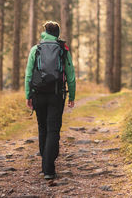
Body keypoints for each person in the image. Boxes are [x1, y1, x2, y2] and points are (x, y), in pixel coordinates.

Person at [25, 21, 76, 180]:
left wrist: (28, 95)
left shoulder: (36, 49)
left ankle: (45, 166)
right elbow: (71, 76)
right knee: (53, 130)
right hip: (56, 94)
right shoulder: (63, 49)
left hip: (38, 94)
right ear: (57, 33)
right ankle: (49, 168)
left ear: (44, 32)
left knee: (42, 128)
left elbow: (28, 75)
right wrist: (72, 96)